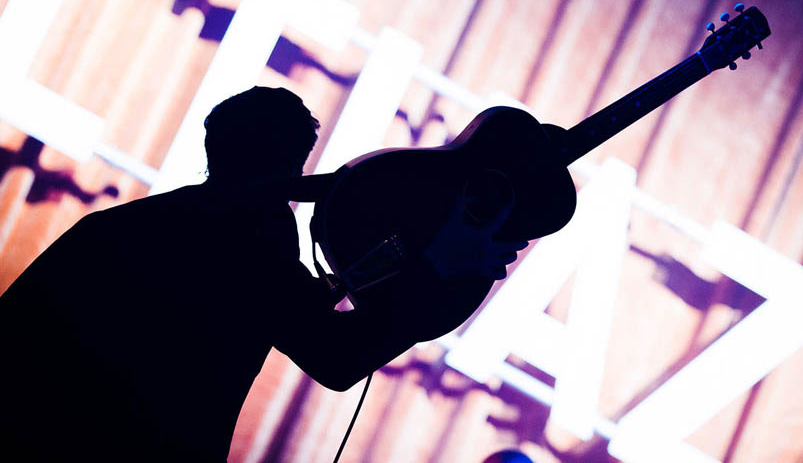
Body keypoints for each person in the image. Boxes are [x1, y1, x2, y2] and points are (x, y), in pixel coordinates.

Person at [0, 86, 525, 461]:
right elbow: (339, 357)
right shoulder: (249, 250)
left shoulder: (114, 227)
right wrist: (439, 266)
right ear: (291, 164)